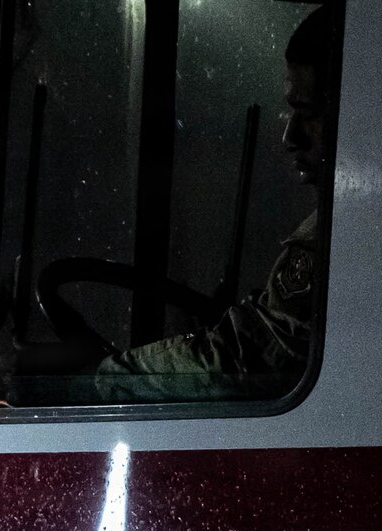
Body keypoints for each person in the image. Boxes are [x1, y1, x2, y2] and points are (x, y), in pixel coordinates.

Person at [93, 5, 340, 401]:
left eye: (308, 113)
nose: (290, 137)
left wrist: (115, 374)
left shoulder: (344, 236)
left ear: (355, 112)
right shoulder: (349, 226)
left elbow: (253, 359)